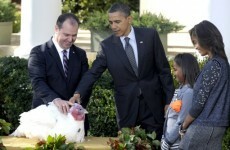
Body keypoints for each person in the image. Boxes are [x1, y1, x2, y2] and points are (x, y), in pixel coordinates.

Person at [70, 3, 174, 140]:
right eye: (111, 22)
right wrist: (78, 92)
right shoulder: (107, 46)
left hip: (153, 107)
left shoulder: (150, 36)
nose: (113, 26)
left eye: (117, 22)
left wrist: (169, 101)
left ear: (129, 19)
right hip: (127, 109)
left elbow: (164, 70)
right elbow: (93, 73)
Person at [28, 13, 91, 132]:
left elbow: (85, 82)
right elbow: (37, 82)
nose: (70, 39)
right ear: (56, 29)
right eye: (66, 34)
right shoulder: (38, 53)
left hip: (74, 121)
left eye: (74, 35)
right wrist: (55, 100)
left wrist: (78, 95)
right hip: (46, 120)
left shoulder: (80, 54)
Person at [179, 20, 230, 149]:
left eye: (196, 42)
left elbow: (199, 103)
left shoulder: (214, 65)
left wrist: (184, 124)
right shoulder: (223, 64)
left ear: (207, 39)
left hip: (204, 125)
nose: (195, 47)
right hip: (217, 126)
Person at [161, 53, 200, 150]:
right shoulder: (180, 90)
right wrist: (164, 137)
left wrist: (168, 140)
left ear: (185, 69)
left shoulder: (189, 93)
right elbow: (170, 117)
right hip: (169, 142)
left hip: (177, 145)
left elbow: (181, 120)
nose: (174, 73)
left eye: (175, 69)